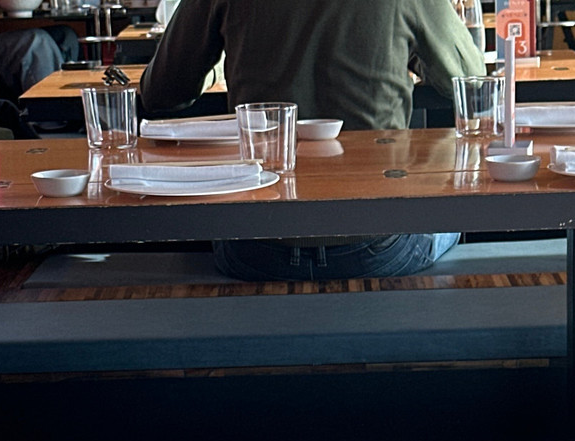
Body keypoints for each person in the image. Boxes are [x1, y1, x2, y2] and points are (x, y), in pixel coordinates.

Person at [139, 0, 484, 281]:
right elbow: (472, 78)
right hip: (377, 244)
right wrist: (408, 53)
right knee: (450, 217)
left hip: (253, 245)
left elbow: (161, 92)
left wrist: (218, 61)